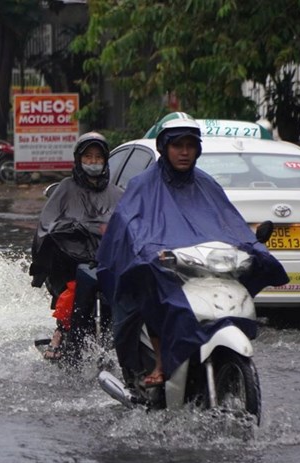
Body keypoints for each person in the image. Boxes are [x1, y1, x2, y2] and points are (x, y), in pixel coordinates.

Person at [96, 112, 288, 387]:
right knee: (157, 294)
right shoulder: (143, 185)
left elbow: (228, 222)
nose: (184, 152)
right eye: (178, 146)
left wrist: (252, 246)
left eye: (190, 146)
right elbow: (132, 224)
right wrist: (149, 251)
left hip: (200, 267)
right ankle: (160, 364)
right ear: (164, 147)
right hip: (158, 266)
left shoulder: (207, 184)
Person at [29, 132, 123, 363]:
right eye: (88, 157)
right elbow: (48, 223)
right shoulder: (65, 189)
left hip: (107, 259)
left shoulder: (117, 193)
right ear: (79, 159)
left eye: (98, 157)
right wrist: (72, 229)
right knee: (73, 288)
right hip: (70, 259)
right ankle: (62, 330)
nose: (93, 161)